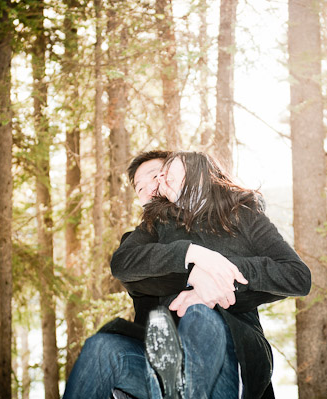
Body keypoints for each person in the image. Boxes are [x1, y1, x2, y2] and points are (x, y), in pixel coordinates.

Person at [62, 150, 310, 399]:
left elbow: (295, 276)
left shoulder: (242, 215)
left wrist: (219, 276)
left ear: (192, 173)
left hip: (231, 350)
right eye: (140, 188)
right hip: (160, 357)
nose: (152, 186)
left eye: (159, 175)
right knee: (102, 347)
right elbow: (124, 266)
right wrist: (192, 262)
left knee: (199, 314)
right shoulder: (152, 230)